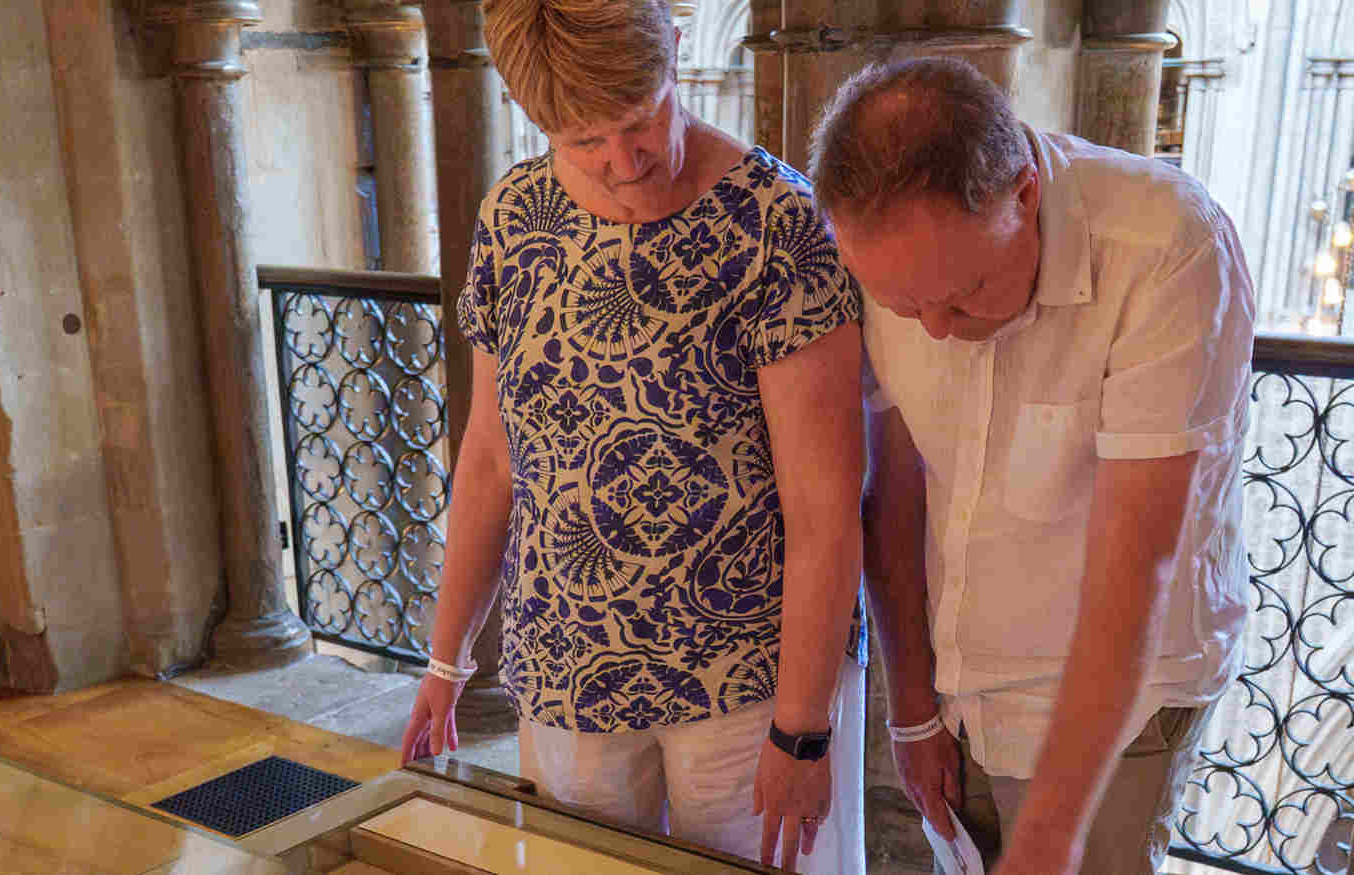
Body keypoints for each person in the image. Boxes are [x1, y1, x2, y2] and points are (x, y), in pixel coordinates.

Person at [399, 2, 867, 871]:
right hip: (564, 668)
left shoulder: (777, 222)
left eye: (638, 117)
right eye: (583, 141)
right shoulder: (515, 219)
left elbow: (826, 497)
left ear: (676, 54)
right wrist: (447, 657)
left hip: (749, 681)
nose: (625, 162)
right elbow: (492, 458)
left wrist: (804, 731)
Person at [807, 57, 1254, 875]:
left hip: (1125, 699)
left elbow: (1136, 570)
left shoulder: (1166, 249)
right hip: (965, 679)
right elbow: (896, 489)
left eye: (964, 291)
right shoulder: (893, 251)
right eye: (905, 307)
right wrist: (912, 705)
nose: (934, 329)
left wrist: (1049, 831)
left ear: (1024, 194)